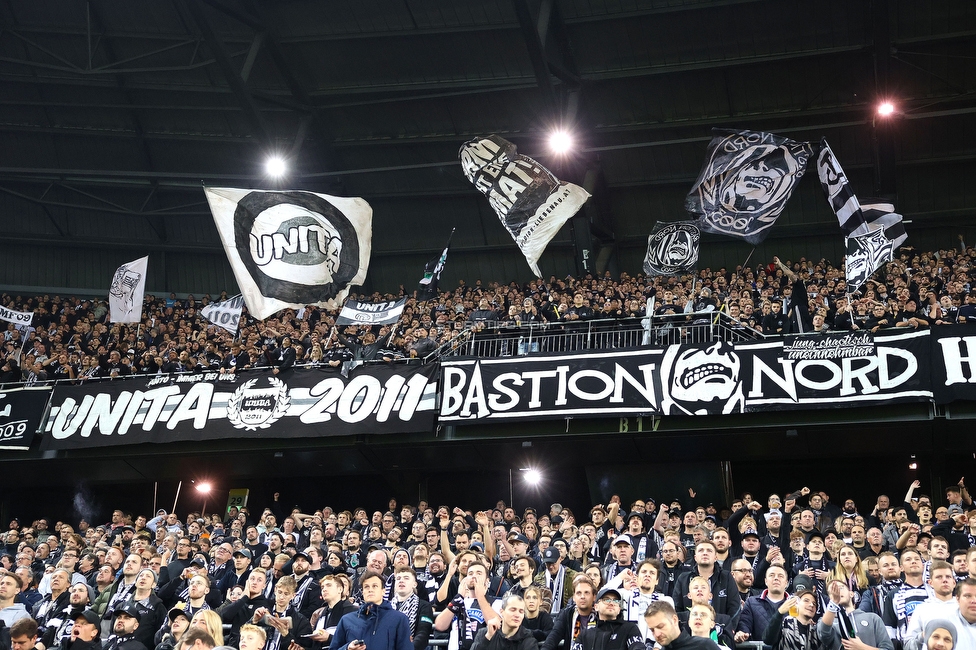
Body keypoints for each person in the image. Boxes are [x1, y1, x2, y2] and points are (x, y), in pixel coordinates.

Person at [331, 572, 412, 650]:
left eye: (375, 586)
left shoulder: (399, 619)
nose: (370, 590)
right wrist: (347, 648)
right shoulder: (346, 620)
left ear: (383, 591)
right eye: (366, 587)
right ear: (362, 592)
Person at [817, 579, 892, 650]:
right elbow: (824, 635)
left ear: (851, 593)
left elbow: (888, 648)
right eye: (832, 592)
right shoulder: (828, 622)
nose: (837, 592)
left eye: (840, 588)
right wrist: (833, 604)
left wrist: (862, 647)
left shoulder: (872, 618)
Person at [577, 586, 644, 650]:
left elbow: (638, 647)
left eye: (616, 601)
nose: (612, 603)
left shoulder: (630, 629)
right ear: (596, 607)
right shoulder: (585, 635)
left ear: (619, 609)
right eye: (606, 599)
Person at [736, 563, 789, 642]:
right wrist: (742, 634)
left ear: (786, 583)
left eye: (780, 576)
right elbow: (744, 625)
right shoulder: (751, 602)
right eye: (772, 575)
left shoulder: (795, 605)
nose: (776, 578)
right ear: (766, 581)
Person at [470, 593, 536, 650]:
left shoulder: (528, 640)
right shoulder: (485, 633)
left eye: (521, 612)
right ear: (502, 612)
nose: (517, 615)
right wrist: (487, 637)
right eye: (513, 610)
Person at [390, 567, 433, 650]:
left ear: (415, 584)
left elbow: (423, 633)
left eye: (406, 578)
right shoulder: (386, 606)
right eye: (398, 578)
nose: (401, 581)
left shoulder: (424, 606)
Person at [643, 600, 715, 650]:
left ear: (674, 620)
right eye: (652, 630)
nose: (657, 634)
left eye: (661, 626)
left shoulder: (705, 646)